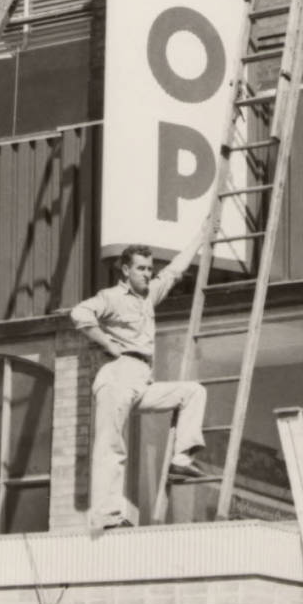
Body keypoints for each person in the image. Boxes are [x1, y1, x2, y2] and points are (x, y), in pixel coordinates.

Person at [70, 221, 211, 529]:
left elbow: (173, 271)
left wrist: (201, 236)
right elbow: (79, 314)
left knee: (193, 392)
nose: (147, 274)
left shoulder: (149, 297)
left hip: (141, 377)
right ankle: (107, 515)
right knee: (111, 444)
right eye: (141, 269)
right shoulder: (111, 297)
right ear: (125, 271)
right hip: (117, 374)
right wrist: (108, 343)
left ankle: (181, 461)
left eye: (149, 269)